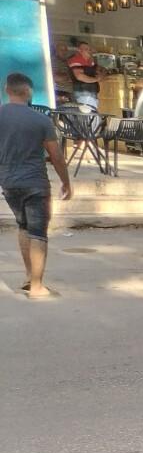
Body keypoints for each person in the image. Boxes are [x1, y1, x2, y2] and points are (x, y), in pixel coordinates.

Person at [0, 72, 73, 299]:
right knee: (38, 232)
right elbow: (56, 156)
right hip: (35, 183)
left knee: (23, 226)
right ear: (28, 92)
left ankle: (29, 277)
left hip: (10, 183)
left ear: (7, 90)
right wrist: (66, 182)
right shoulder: (41, 120)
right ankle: (38, 286)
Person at [66, 40, 100, 111]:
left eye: (89, 49)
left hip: (91, 93)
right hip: (84, 93)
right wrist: (96, 79)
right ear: (79, 50)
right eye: (86, 49)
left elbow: (99, 69)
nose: (89, 51)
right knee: (88, 116)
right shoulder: (75, 60)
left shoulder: (89, 61)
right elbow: (79, 76)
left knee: (93, 114)